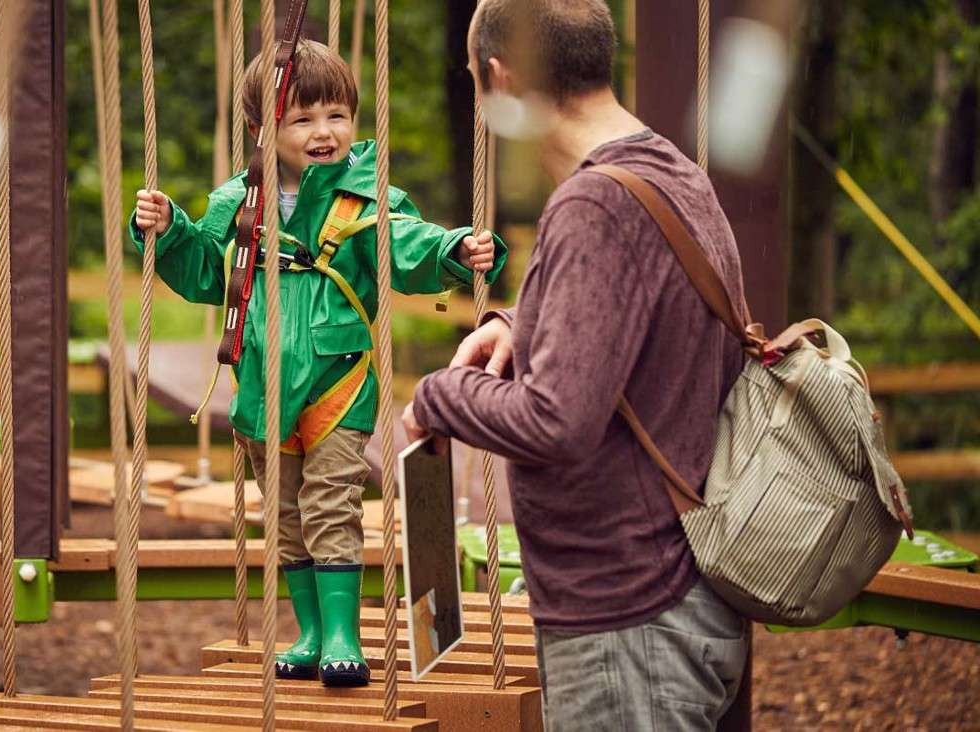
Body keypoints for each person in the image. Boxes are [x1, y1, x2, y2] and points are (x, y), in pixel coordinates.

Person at [402, 1, 749, 728]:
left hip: (629, 620)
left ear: (499, 79)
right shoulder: (671, 174)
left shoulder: (593, 205)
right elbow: (647, 321)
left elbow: (556, 420)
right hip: (680, 600)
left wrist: (438, 397)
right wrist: (519, 326)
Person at [132, 39, 506, 687]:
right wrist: (167, 229)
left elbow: (409, 247)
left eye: (336, 116)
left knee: (331, 502)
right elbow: (200, 274)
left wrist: (453, 249)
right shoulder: (237, 204)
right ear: (262, 130)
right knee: (284, 514)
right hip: (263, 385)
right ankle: (309, 631)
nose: (323, 132)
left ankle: (341, 633)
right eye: (302, 120)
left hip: (339, 378)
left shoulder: (366, 197)